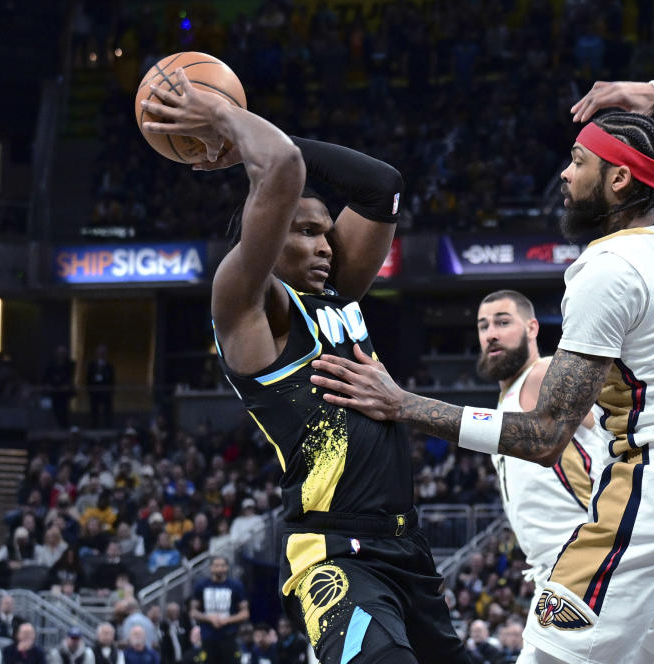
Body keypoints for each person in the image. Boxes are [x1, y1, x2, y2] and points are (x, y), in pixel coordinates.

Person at [310, 77, 654, 663]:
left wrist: (402, 404)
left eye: (578, 162)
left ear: (619, 179)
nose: (565, 175)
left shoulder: (607, 267)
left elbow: (544, 436)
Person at [142, 67, 469, 663]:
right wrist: (223, 120)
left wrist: (266, 138)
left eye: (327, 233)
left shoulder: (338, 294)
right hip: (335, 555)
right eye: (306, 232)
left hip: (407, 547)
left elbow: (382, 188)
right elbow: (284, 169)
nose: (325, 245)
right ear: (266, 237)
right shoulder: (249, 300)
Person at [474, 289, 608, 662]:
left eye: (503, 321)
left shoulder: (541, 373)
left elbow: (608, 430)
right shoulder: (508, 397)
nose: (491, 334)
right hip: (555, 569)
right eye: (483, 326)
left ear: (532, 327)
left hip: (582, 557)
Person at [189, 557, 248, 664]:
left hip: (229, 636)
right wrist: (209, 618)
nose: (219, 568)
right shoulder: (201, 585)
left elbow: (245, 613)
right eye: (216, 565)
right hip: (208, 637)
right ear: (211, 568)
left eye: (222, 565)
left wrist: (227, 620)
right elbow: (193, 612)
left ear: (227, 567)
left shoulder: (236, 586)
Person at [43, 345, 76, 428]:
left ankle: (64, 428)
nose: (61, 354)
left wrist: (66, 386)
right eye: (59, 353)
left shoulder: (70, 364)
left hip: (64, 393)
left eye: (63, 353)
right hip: (54, 392)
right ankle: (57, 427)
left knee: (64, 411)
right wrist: (49, 385)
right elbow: (47, 377)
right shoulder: (51, 364)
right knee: (55, 411)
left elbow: (69, 377)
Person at [86, 345, 114, 428]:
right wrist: (90, 390)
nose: (101, 354)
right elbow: (88, 378)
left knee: (107, 411)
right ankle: (94, 426)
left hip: (106, 392)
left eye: (103, 353)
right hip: (95, 392)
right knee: (94, 410)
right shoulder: (92, 365)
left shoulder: (109, 366)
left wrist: (111, 391)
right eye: (100, 352)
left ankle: (107, 426)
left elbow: (112, 380)